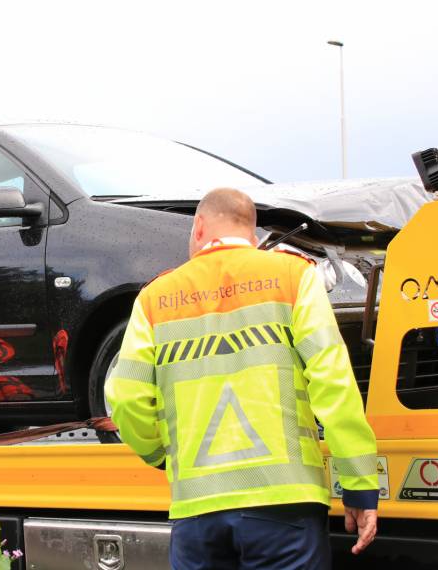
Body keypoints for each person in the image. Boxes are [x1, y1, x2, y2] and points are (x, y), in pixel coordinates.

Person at [105, 188, 378, 570]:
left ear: (199, 227)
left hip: (197, 508)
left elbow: (126, 397)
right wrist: (360, 485)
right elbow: (334, 385)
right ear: (252, 235)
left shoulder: (154, 299)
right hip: (285, 502)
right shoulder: (292, 276)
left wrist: (160, 456)